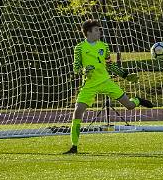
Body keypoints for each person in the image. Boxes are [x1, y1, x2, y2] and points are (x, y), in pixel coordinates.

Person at [64, 19, 154, 154]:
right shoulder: (79, 48)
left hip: (106, 81)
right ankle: (74, 147)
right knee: (77, 112)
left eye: (99, 29)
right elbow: (76, 68)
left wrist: (125, 75)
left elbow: (110, 64)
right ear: (88, 32)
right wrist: (84, 70)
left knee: (129, 105)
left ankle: (138, 100)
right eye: (96, 30)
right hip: (89, 85)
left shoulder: (104, 46)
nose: (99, 32)